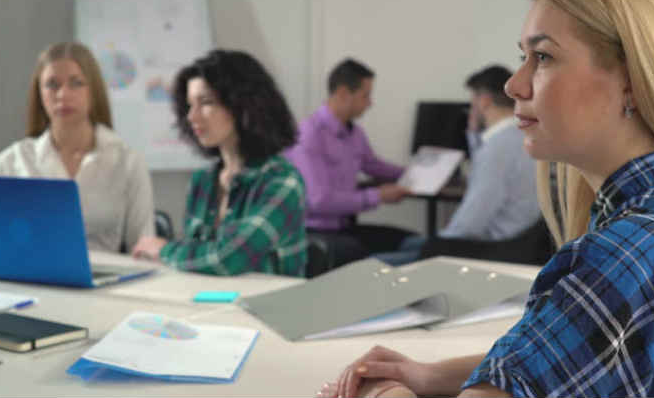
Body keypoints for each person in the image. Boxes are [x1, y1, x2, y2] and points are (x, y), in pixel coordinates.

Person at [319, 0, 654, 398]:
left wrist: (381, 391)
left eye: (543, 57)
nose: (514, 85)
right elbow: (571, 357)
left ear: (633, 82)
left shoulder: (619, 257)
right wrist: (428, 375)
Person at [0, 42, 155, 253]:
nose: (62, 95)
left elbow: (145, 245)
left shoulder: (127, 161)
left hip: (104, 283)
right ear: (39, 93)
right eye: (52, 84)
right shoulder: (17, 158)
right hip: (32, 279)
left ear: (93, 90)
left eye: (76, 83)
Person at [132, 50, 307, 277]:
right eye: (189, 105)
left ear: (243, 105)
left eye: (206, 102)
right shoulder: (201, 181)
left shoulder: (283, 181)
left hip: (269, 310)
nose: (192, 117)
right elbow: (194, 263)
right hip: (209, 306)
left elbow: (227, 259)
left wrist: (164, 249)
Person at [375, 65, 547, 266]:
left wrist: (437, 243)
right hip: (517, 243)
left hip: (489, 248)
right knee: (409, 243)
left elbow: (470, 222)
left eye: (472, 103)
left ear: (484, 102)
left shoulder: (496, 150)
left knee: (376, 261)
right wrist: (473, 133)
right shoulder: (521, 137)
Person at [285, 58, 414, 267]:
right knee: (404, 260)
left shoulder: (354, 133)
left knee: (418, 243)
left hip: (345, 228)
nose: (370, 103)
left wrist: (416, 173)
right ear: (344, 93)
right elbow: (319, 200)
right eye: (366, 96)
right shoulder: (309, 135)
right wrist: (378, 196)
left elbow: (373, 166)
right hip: (315, 232)